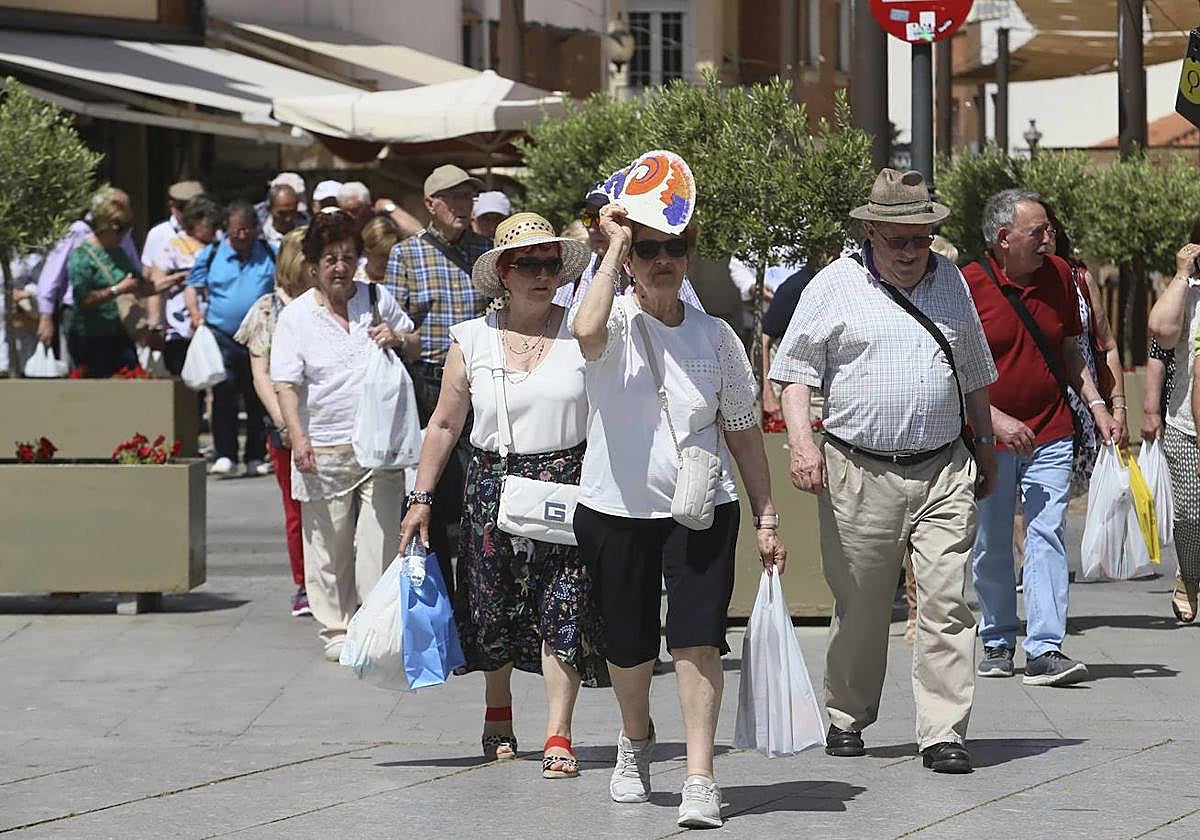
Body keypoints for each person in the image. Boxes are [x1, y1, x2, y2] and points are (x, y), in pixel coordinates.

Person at [571, 151, 786, 830]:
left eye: (676, 247)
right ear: (633, 255)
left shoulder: (716, 336)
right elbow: (583, 331)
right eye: (651, 248)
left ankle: (700, 778)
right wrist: (613, 245)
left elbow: (745, 434)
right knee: (630, 646)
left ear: (691, 253)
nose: (664, 259)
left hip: (701, 506)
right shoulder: (612, 318)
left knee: (697, 641)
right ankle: (635, 740)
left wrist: (768, 516)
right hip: (616, 509)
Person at [771, 168, 998, 775]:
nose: (908, 250)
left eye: (920, 238)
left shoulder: (951, 282)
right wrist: (801, 445)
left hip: (942, 466)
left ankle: (942, 731)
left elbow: (973, 369)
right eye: (896, 237)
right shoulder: (833, 285)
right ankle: (847, 712)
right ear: (869, 229)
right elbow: (794, 373)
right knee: (864, 608)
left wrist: (984, 447)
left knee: (948, 602)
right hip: (858, 471)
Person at [399, 212, 606, 779]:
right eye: (528, 265)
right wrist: (421, 497)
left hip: (567, 483)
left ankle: (559, 733)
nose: (542, 275)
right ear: (504, 275)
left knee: (564, 603)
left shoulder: (584, 333)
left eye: (550, 265)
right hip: (492, 484)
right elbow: (443, 425)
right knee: (493, 605)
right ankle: (498, 708)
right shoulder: (472, 339)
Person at [963, 189, 1120, 686]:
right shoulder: (969, 284)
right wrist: (995, 420)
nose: (1049, 237)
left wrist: (1098, 406)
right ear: (1004, 238)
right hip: (990, 435)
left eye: (1048, 228)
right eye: (1039, 231)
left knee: (1046, 531)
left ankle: (1045, 647)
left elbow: (1071, 350)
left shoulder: (1058, 276)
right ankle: (996, 636)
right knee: (991, 539)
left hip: (1051, 427)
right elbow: (954, 369)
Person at [270, 209, 416, 661]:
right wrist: (298, 438)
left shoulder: (376, 298)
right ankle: (335, 626)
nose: (339, 267)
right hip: (324, 441)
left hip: (380, 441)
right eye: (329, 258)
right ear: (312, 265)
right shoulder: (296, 317)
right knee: (327, 541)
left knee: (378, 538)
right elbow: (286, 385)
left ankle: (371, 624)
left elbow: (413, 341)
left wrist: (395, 336)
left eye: (347, 257)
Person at [384, 164, 492, 593]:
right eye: (454, 198)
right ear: (431, 205)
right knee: (436, 495)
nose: (463, 206)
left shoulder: (485, 251)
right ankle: (441, 603)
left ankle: (476, 601)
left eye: (469, 197)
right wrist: (398, 338)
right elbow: (394, 322)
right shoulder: (406, 255)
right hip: (429, 384)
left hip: (481, 384)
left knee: (474, 498)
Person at [234, 227, 312, 617]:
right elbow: (259, 372)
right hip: (285, 424)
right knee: (296, 507)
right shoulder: (267, 308)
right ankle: (305, 584)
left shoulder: (331, 302)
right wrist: (285, 420)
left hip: (333, 421)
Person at [185, 200, 276, 477]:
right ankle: (225, 453)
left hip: (258, 337)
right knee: (223, 393)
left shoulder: (270, 253)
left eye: (247, 230)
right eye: (236, 230)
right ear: (227, 229)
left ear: (256, 228)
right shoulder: (211, 254)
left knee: (256, 396)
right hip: (220, 335)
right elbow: (193, 286)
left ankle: (254, 455)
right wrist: (194, 313)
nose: (242, 236)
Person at [1148, 235, 1200, 624]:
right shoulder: (1190, 293)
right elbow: (1160, 335)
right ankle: (1190, 574)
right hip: (1187, 422)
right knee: (1190, 515)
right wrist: (1182, 274)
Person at [35, 187, 143, 360]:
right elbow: (51, 275)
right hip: (80, 317)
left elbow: (135, 270)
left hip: (116, 316)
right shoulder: (77, 233)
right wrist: (46, 316)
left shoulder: (123, 233)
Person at [65, 192, 145, 377]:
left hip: (119, 335)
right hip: (90, 338)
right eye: (119, 229)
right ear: (105, 227)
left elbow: (136, 283)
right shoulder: (82, 256)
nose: (123, 235)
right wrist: (118, 289)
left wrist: (166, 283)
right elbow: (83, 299)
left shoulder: (118, 253)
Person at [146, 196, 222, 375]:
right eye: (209, 224)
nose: (214, 229)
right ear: (195, 222)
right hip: (180, 329)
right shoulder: (172, 247)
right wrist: (155, 326)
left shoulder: (220, 246)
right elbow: (154, 287)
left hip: (215, 326)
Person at [262, 183, 301, 250]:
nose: (288, 218)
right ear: (269, 209)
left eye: (292, 212)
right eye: (282, 213)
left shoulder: (308, 232)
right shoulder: (261, 237)